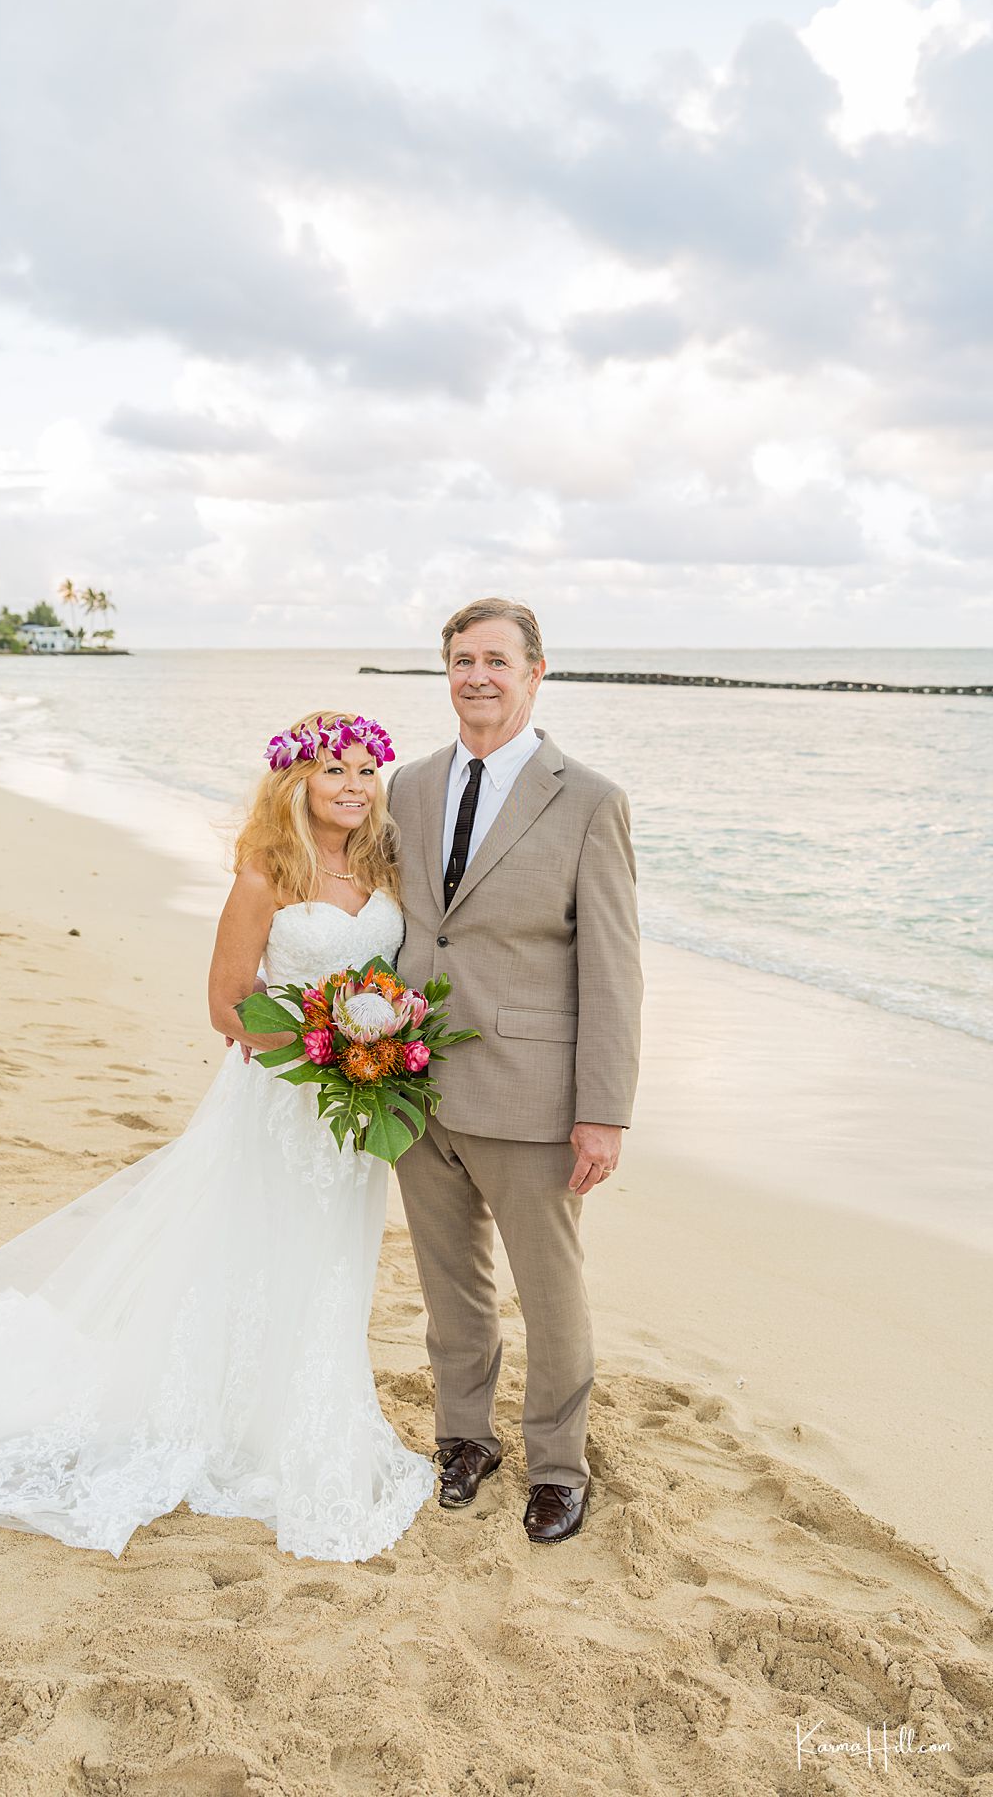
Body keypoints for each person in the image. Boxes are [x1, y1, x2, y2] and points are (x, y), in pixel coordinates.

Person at [0, 711, 434, 1562]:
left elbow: (392, 975)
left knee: (330, 1257)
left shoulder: (383, 863)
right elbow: (227, 1006)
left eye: (364, 770)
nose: (353, 786)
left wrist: (378, 1046)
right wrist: (332, 1048)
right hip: (283, 1099)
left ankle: (297, 1405)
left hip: (355, 1104)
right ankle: (226, 1413)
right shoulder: (265, 875)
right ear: (295, 784)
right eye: (332, 772)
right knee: (257, 1247)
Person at [388, 600, 643, 1545]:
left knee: (550, 1292)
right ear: (445, 672)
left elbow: (613, 968)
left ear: (537, 673)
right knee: (448, 1283)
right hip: (413, 1084)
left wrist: (603, 1110)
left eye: (497, 659)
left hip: (533, 1095)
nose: (477, 676)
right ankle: (463, 1438)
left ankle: (558, 1465)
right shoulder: (407, 788)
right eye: (462, 660)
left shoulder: (589, 801)